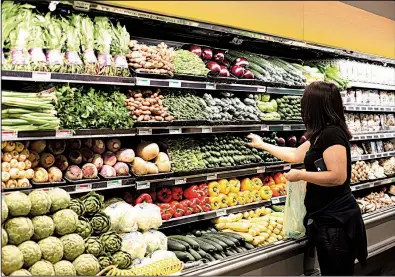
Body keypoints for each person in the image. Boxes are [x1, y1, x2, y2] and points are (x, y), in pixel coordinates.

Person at [247, 81, 367, 276]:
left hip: (336, 221)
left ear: (314, 106)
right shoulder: (321, 134)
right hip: (326, 218)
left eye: (305, 101)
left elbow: (337, 177)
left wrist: (300, 175)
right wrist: (262, 145)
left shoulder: (332, 135)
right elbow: (295, 155)